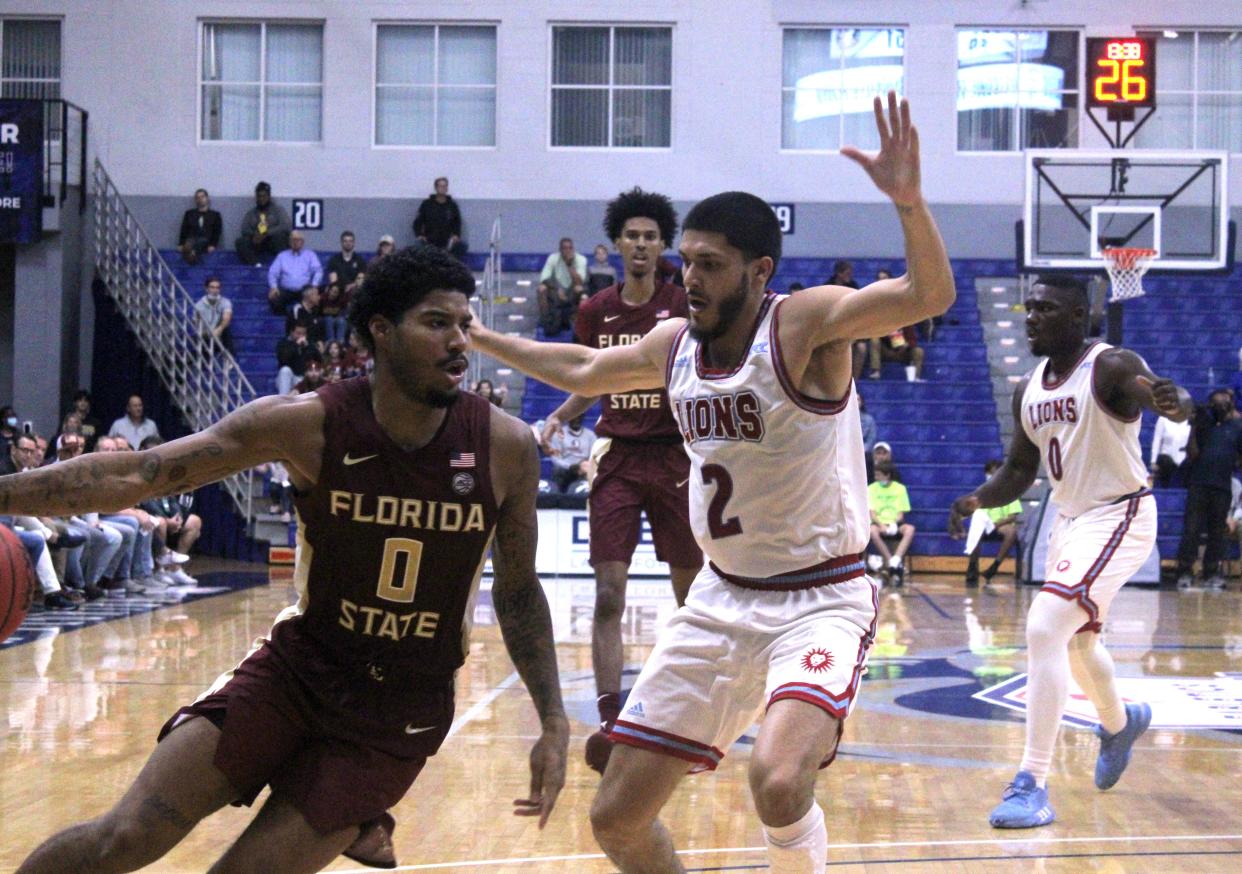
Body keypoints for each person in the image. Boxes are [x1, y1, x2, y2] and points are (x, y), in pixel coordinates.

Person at [472, 93, 954, 873]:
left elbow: (926, 297)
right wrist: (486, 338)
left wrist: (908, 203)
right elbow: (588, 370)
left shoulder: (803, 324)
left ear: (759, 271)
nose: (687, 277)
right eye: (684, 261)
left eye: (708, 264)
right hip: (723, 600)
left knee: (778, 778)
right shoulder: (673, 342)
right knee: (617, 819)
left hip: (819, 597)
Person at [9, 243, 567, 873]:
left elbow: (519, 593)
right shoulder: (309, 425)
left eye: (465, 325)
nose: (461, 342)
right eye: (437, 323)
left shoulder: (505, 447)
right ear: (381, 331)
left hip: (398, 707)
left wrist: (552, 719)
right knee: (125, 836)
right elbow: (143, 473)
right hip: (298, 669)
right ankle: (352, 819)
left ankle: (352, 809)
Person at [949, 273, 1192, 830]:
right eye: (1028, 307)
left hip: (1120, 513)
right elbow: (1018, 469)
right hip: (1071, 519)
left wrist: (1171, 403)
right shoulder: (1028, 387)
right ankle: (1118, 722)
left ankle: (1031, 781)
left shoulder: (1108, 365)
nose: (1031, 317)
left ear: (1078, 316)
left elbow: (1160, 397)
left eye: (1046, 309)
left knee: (1043, 628)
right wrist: (977, 500)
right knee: (1077, 644)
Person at [537, 187, 705, 777]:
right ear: (615, 245)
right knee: (609, 593)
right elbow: (590, 377)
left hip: (677, 457)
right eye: (631, 236)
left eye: (650, 236)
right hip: (618, 456)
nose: (640, 244)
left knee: (691, 603)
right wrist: (560, 417)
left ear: (664, 246)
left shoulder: (684, 303)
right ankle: (612, 722)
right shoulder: (594, 310)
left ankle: (685, 721)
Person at [1173, 388, 1242, 589]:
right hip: (1198, 484)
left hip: (1222, 486)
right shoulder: (1204, 425)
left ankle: (1211, 573)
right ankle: (1184, 572)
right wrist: (1194, 428)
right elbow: (1193, 455)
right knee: (1191, 530)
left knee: (1217, 532)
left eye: (1224, 402)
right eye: (1216, 402)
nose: (1220, 405)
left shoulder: (1237, 427)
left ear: (1230, 404)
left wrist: (1232, 463)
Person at [957, 459, 1022, 587]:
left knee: (1011, 532)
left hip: (1000, 525)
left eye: (994, 474)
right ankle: (972, 566)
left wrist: (996, 524)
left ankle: (994, 566)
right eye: (989, 473)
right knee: (976, 529)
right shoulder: (981, 492)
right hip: (984, 525)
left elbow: (1012, 516)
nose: (991, 476)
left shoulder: (1010, 492)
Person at [867, 460, 915, 585]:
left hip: (895, 523)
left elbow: (901, 514)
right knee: (872, 531)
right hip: (878, 523)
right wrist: (881, 525)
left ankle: (896, 558)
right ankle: (891, 562)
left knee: (909, 529)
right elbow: (872, 512)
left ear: (887, 475)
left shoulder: (900, 489)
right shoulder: (871, 489)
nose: (876, 477)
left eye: (878, 475)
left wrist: (894, 524)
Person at [537, 237, 588, 335]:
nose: (567, 251)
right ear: (560, 250)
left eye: (570, 248)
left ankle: (577, 326)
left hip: (573, 291)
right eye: (564, 248)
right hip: (557, 290)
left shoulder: (581, 259)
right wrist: (557, 289)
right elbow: (544, 278)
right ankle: (546, 322)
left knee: (580, 291)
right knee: (541, 289)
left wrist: (569, 265)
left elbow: (579, 282)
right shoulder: (553, 258)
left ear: (573, 249)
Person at [235, 181, 291, 266]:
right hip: (257, 242)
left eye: (264, 196)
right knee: (240, 242)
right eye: (259, 196)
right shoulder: (251, 213)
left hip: (273, 241)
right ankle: (255, 264)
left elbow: (286, 226)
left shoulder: (278, 210)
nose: (261, 199)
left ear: (269, 196)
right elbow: (244, 229)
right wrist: (255, 235)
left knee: (281, 237)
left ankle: (283, 265)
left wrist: (266, 233)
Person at [324, 231, 366, 344]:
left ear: (354, 243)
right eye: (345, 241)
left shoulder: (360, 260)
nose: (348, 243)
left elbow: (360, 279)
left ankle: (347, 316)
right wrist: (342, 288)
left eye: (350, 241)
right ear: (341, 243)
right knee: (333, 291)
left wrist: (350, 286)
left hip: (353, 293)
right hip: (338, 292)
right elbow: (333, 280)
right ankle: (331, 343)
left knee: (356, 290)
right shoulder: (334, 260)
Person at [268, 231, 323, 316]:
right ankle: (289, 318)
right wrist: (273, 287)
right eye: (293, 240)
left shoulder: (310, 255)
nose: (295, 242)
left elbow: (318, 271)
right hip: (286, 290)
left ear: (303, 242)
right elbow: (272, 272)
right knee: (274, 298)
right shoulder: (282, 256)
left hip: (304, 290)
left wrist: (314, 286)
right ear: (289, 242)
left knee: (314, 300)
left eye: (298, 240)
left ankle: (305, 320)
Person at [413, 176, 467, 259]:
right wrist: (419, 235)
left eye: (445, 186)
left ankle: (448, 265)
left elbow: (457, 223)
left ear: (447, 188)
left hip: (447, 243)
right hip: (429, 242)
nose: (442, 188)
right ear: (436, 188)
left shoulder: (452, 206)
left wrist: (456, 235)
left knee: (463, 246)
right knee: (417, 245)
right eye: (440, 186)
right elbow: (417, 222)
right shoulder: (426, 204)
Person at [547, 414, 596, 494]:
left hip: (583, 469)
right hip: (565, 469)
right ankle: (557, 497)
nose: (576, 419)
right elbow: (555, 458)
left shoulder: (590, 435)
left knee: (592, 470)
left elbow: (594, 456)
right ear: (568, 418)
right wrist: (569, 466)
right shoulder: (558, 434)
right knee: (557, 470)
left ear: (583, 417)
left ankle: (583, 498)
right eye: (573, 417)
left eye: (579, 417)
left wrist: (583, 466)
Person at [177, 188, 223, 265]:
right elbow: (184, 230)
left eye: (202, 197)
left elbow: (217, 231)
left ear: (207, 198)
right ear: (195, 200)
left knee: (201, 241)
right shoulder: (189, 213)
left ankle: (192, 254)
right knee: (190, 241)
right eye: (197, 197)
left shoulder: (215, 215)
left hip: (206, 240)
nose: (200, 199)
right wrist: (181, 244)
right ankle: (191, 253)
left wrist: (213, 245)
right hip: (191, 239)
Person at [1149, 407, 1191, 487]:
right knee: (1165, 462)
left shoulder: (1190, 419)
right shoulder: (1163, 419)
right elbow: (1157, 440)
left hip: (1184, 456)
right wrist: (1153, 461)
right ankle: (1164, 488)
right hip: (1166, 456)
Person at [194, 276, 235, 355]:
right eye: (212, 287)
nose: (215, 290)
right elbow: (196, 324)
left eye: (217, 288)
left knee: (226, 329)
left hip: (219, 333)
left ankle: (229, 358)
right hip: (206, 334)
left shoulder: (225, 302)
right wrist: (207, 333)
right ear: (206, 289)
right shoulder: (199, 305)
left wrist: (219, 329)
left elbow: (227, 317)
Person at [858, 392, 877, 482]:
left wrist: (860, 451)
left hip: (863, 453)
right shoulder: (842, 419)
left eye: (858, 399)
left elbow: (871, 439)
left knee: (867, 458)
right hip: (846, 451)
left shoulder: (869, 420)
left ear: (862, 402)